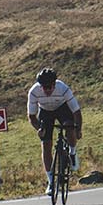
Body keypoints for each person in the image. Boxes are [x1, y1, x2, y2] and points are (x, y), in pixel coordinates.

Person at [27, 67, 82, 196]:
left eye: (49, 87)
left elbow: (76, 112)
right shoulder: (34, 92)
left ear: (54, 84)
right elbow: (31, 116)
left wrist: (78, 130)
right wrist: (39, 129)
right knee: (46, 145)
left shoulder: (63, 88)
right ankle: (51, 182)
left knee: (69, 126)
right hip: (45, 112)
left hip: (62, 108)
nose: (46, 90)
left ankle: (72, 153)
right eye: (44, 87)